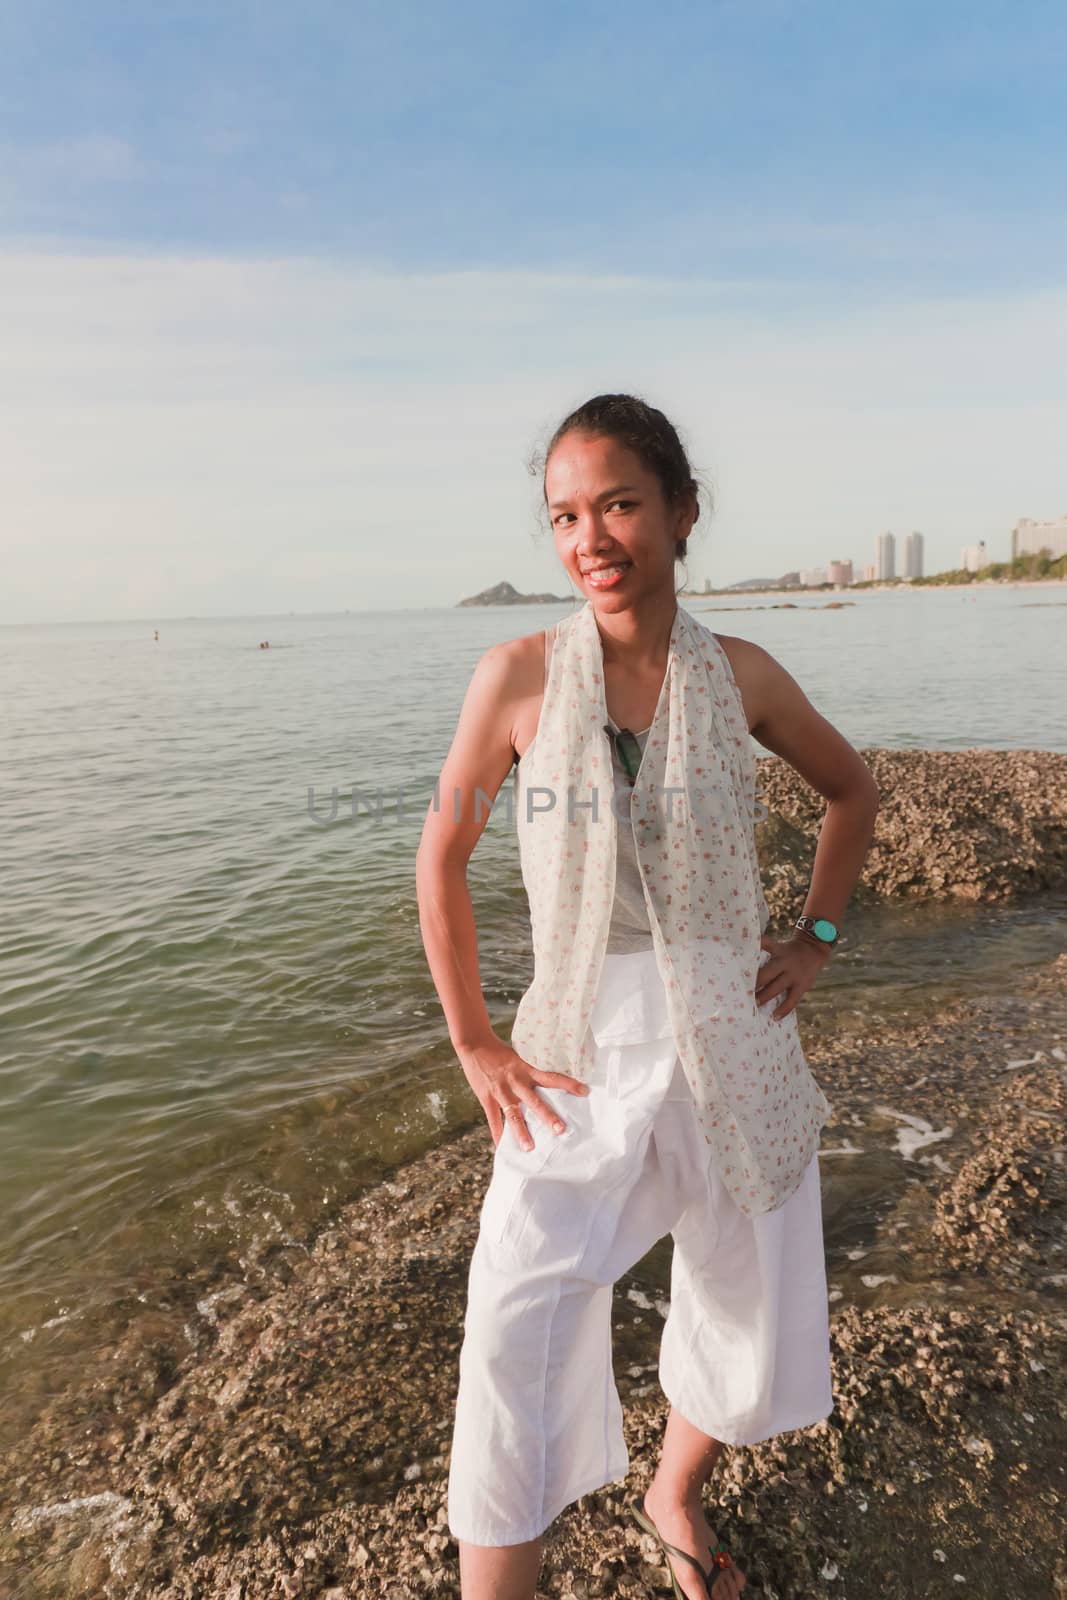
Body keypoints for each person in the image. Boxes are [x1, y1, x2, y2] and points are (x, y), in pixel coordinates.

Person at [415, 393, 880, 1600]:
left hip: (734, 1036)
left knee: (745, 1300)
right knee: (513, 1327)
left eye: (619, 503)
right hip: (574, 1051)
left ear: (679, 512)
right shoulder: (515, 675)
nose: (591, 536)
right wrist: (473, 1040)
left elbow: (850, 791)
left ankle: (674, 1491)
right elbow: (440, 858)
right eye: (565, 514)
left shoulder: (742, 675)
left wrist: (814, 937)